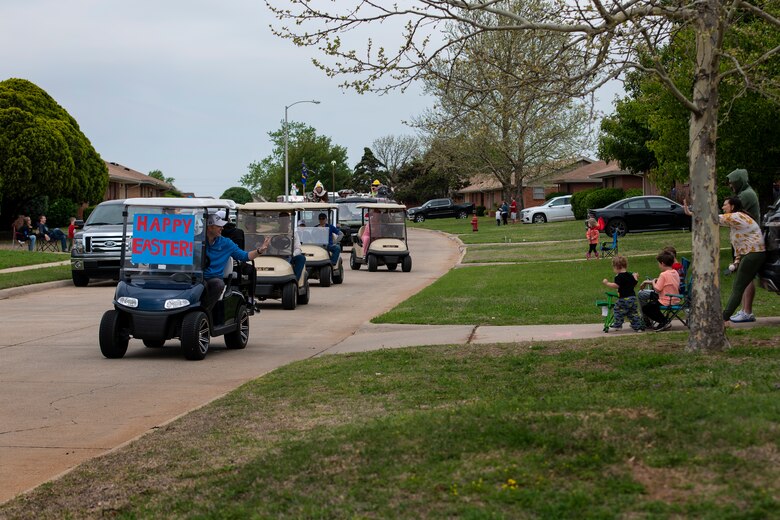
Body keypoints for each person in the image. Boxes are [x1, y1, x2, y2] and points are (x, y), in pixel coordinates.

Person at [684, 196, 765, 326]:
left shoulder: (736, 216)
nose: (723, 207)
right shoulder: (737, 220)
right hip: (752, 254)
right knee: (739, 286)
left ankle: (723, 318)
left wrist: (691, 213)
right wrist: (737, 261)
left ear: (732, 206)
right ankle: (732, 316)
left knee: (738, 287)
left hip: (753, 254)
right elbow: (740, 243)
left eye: (725, 204)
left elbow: (712, 218)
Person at [203, 212, 268, 313]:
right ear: (210, 227)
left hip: (213, 278)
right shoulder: (196, 241)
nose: (222, 228)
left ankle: (205, 312)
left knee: (218, 284)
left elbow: (245, 256)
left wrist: (259, 251)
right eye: (219, 226)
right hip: (197, 277)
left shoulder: (226, 243)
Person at [726, 169, 761, 322]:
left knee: (746, 277)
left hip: (749, 243)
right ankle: (745, 310)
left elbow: (731, 214)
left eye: (732, 183)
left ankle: (747, 311)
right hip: (746, 241)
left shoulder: (746, 195)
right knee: (746, 276)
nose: (730, 186)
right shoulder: (746, 192)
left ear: (738, 181)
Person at [639, 251, 680, 332]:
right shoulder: (675, 272)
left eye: (658, 263)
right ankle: (663, 321)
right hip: (675, 298)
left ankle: (663, 321)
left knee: (646, 308)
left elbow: (657, 289)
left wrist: (653, 282)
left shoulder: (663, 274)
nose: (658, 265)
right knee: (651, 304)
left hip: (666, 300)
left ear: (662, 263)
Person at [602, 255, 644, 332]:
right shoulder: (630, 275)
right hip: (633, 298)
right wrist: (635, 276)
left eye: (613, 267)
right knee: (633, 313)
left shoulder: (618, 276)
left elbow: (616, 285)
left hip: (623, 299)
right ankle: (638, 327)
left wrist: (607, 283)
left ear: (617, 267)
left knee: (617, 310)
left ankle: (618, 325)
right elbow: (635, 283)